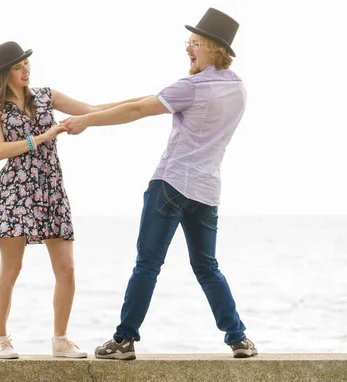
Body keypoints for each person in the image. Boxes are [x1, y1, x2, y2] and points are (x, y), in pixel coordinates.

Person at [62, 8, 258, 359]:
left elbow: (138, 111)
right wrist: (92, 110)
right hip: (207, 191)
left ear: (214, 48)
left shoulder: (193, 86)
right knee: (207, 267)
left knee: (148, 264)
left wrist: (88, 122)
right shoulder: (238, 89)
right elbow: (142, 101)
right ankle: (238, 338)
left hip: (170, 185)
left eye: (194, 43)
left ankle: (124, 340)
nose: (188, 48)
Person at [0, 41, 146, 359]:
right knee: (11, 269)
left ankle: (60, 339)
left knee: (67, 269)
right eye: (18, 66)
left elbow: (92, 110)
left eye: (27, 63)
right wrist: (44, 136)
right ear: (4, 75)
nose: (26, 69)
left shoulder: (47, 96)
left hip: (51, 189)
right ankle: (0, 339)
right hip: (14, 193)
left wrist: (142, 103)